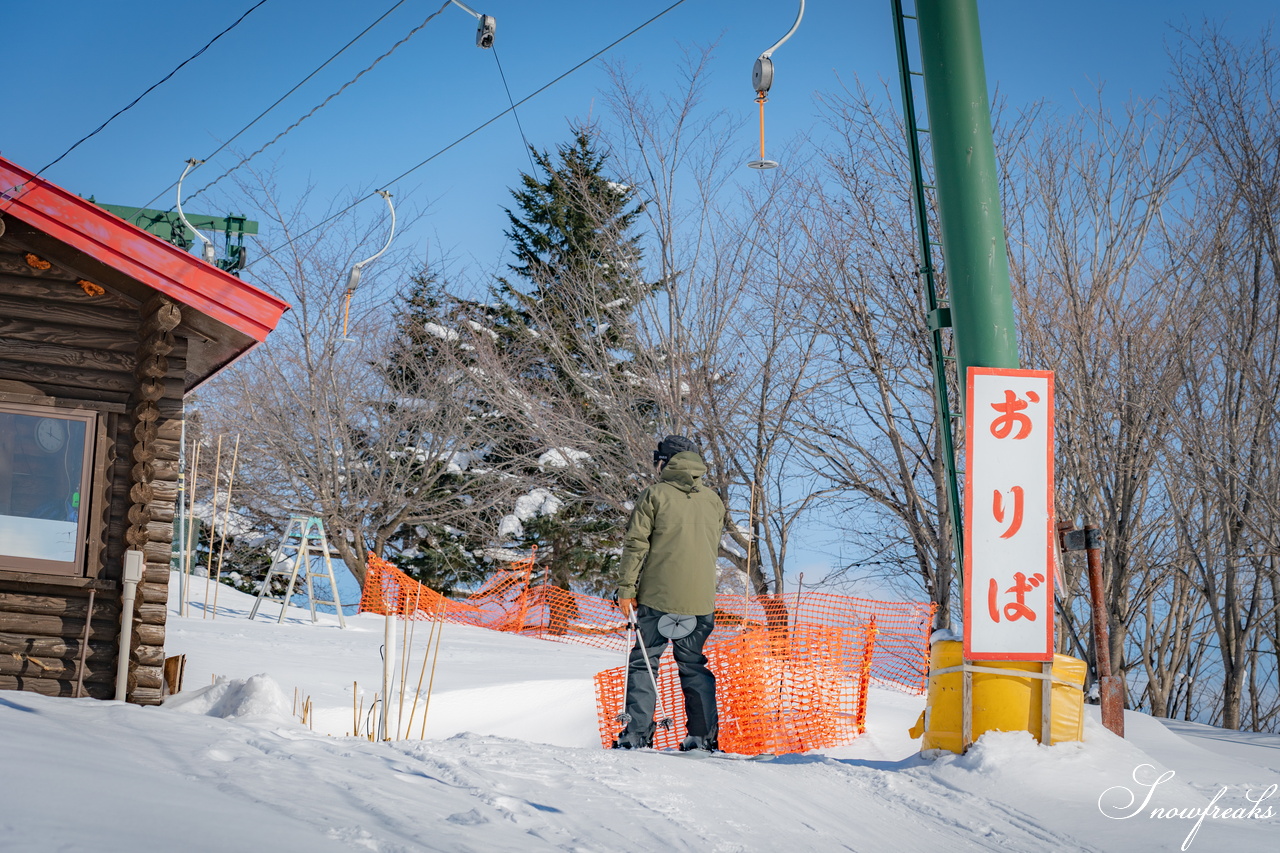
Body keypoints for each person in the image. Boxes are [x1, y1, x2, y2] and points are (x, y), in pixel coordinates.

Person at [614, 435, 725, 751]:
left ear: (666, 461)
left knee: (644, 661)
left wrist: (626, 589)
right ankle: (703, 736)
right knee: (693, 664)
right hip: (700, 602)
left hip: (658, 599)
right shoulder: (713, 500)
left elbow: (636, 544)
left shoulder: (655, 495)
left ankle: (637, 734)